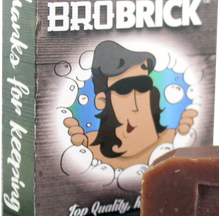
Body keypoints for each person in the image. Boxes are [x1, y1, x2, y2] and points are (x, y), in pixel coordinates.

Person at [63, 41, 197, 168]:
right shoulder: (90, 150)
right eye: (124, 90)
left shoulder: (173, 140)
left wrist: (185, 133)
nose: (136, 105)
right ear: (102, 101)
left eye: (143, 86)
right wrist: (78, 150)